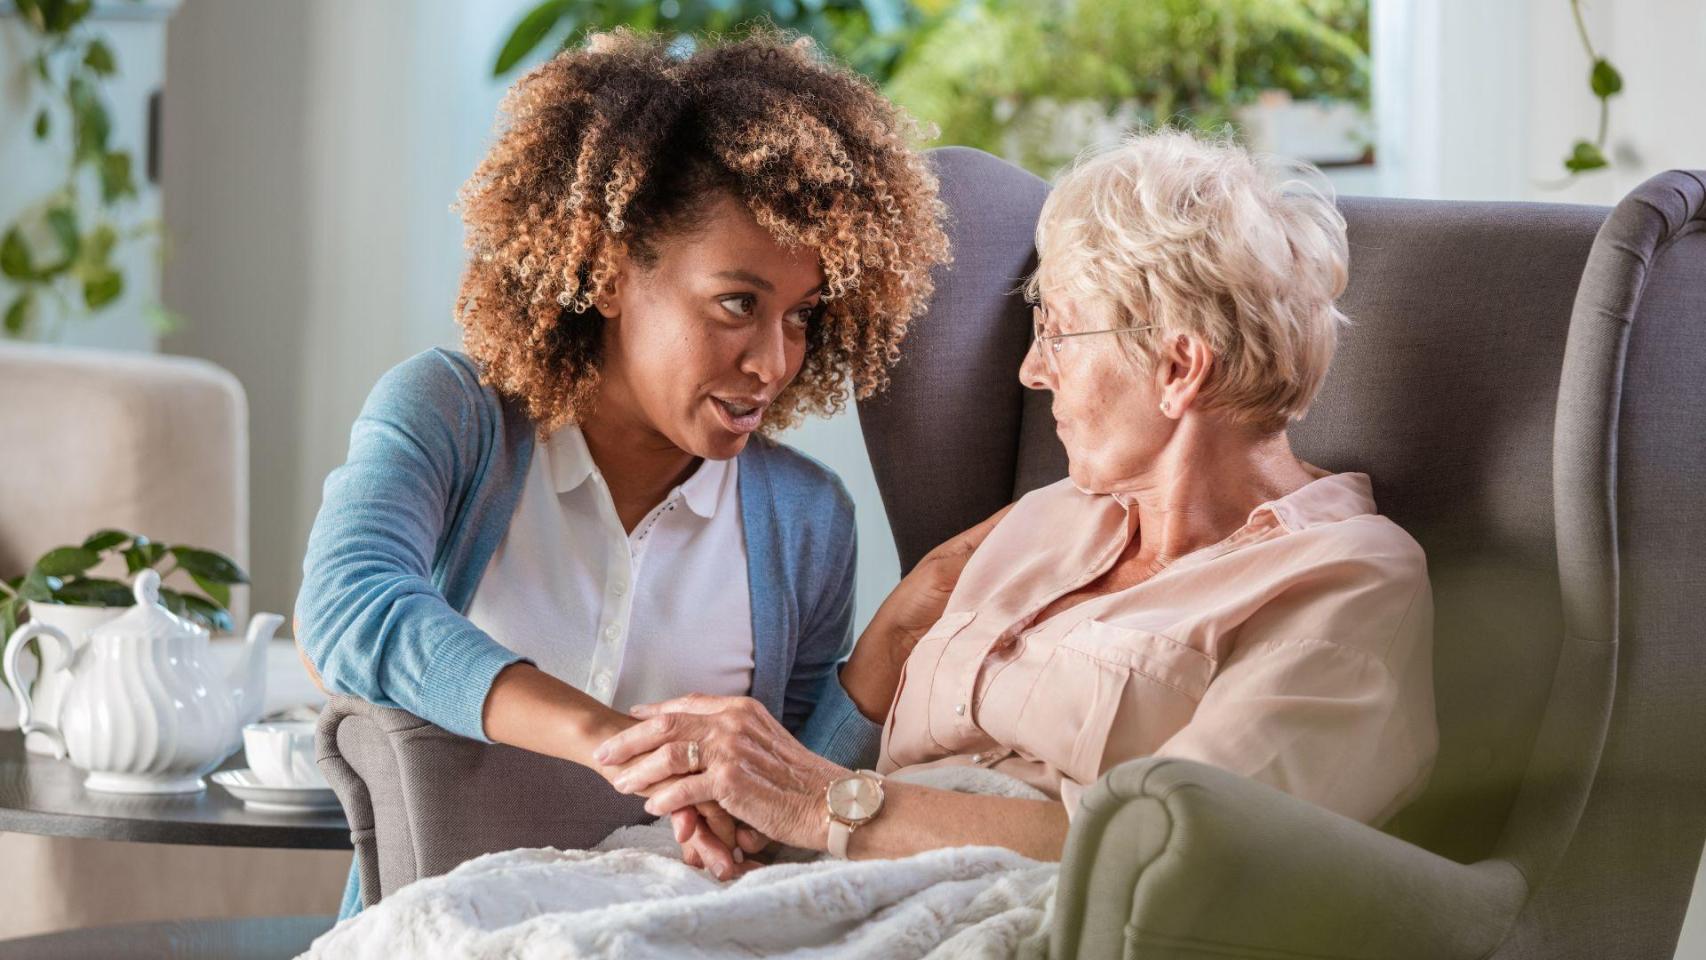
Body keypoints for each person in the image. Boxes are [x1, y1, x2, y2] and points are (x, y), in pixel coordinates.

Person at [596, 127, 1438, 866]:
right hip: (838, 872)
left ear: (1178, 368)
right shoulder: (1045, 518)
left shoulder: (1345, 582)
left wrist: (819, 806)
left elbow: (1177, 852)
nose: (1033, 371)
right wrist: (757, 812)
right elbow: (850, 785)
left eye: (1059, 332)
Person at [293, 27, 951, 920]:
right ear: (608, 272)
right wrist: (619, 741)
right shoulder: (450, 417)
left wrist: (891, 640)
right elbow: (348, 607)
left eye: (803, 316)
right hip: (433, 932)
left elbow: (785, 813)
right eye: (736, 304)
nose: (773, 362)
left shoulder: (807, 517)